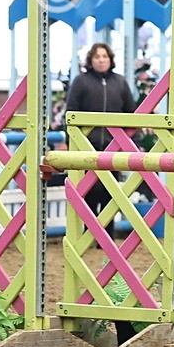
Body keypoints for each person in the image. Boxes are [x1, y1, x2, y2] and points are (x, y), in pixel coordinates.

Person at [65, 43, 138, 233]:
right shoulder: (81, 82)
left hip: (113, 147)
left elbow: (131, 113)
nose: (101, 60)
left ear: (110, 59)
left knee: (111, 191)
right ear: (91, 60)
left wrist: (130, 144)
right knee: (90, 191)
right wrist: (70, 143)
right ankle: (89, 233)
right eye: (97, 57)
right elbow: (71, 112)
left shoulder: (120, 82)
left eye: (104, 56)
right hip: (87, 145)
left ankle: (108, 234)